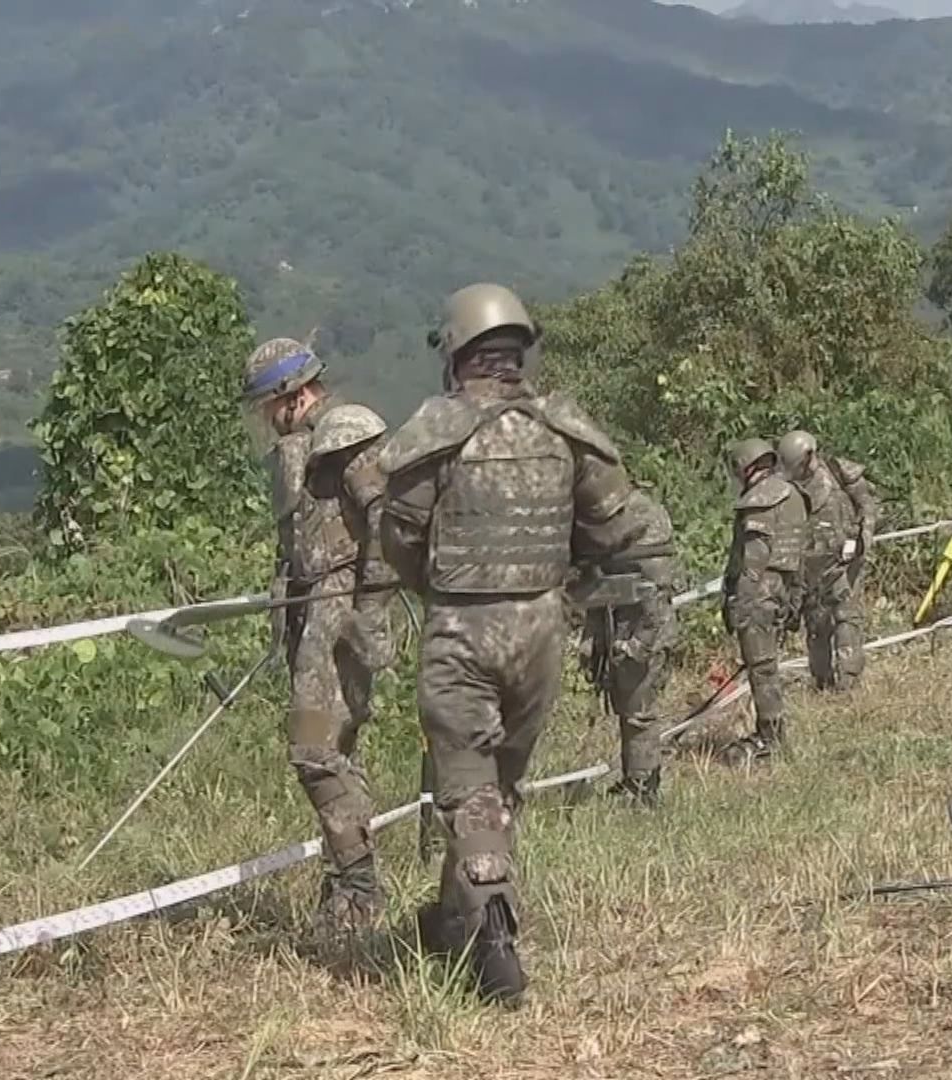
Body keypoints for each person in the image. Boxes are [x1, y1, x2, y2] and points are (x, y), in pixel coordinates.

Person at [380, 282, 645, 1003]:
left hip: (462, 630)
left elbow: (398, 534)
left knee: (467, 793)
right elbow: (616, 525)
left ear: (458, 353)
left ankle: (496, 946)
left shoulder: (441, 428)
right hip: (540, 632)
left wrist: (436, 584)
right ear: (517, 351)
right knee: (498, 792)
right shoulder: (564, 429)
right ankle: (449, 922)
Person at [241, 337, 396, 935]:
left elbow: (387, 521)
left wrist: (370, 609)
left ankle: (359, 889)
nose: (265, 418)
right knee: (333, 751)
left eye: (268, 404)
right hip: (310, 617)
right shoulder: (299, 449)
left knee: (314, 750)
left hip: (339, 616)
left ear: (295, 394)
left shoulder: (348, 434)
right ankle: (343, 887)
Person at [581, 487, 681, 806]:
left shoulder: (644, 523)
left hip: (646, 631)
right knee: (628, 707)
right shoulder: (619, 524)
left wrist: (637, 644)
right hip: (625, 625)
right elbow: (599, 584)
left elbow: (655, 605)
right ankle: (632, 779)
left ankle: (644, 786)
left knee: (639, 711)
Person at [720, 437, 806, 763]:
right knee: (768, 666)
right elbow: (801, 552)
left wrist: (738, 604)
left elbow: (752, 563)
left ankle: (771, 737)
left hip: (758, 596)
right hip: (782, 592)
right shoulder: (794, 495)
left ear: (746, 467)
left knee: (761, 670)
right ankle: (773, 733)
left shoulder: (760, 501)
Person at [777, 430, 869, 691]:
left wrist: (861, 540)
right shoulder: (786, 486)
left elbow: (867, 509)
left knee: (847, 619)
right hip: (808, 568)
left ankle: (849, 682)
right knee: (816, 625)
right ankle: (822, 682)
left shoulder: (841, 474)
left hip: (843, 564)